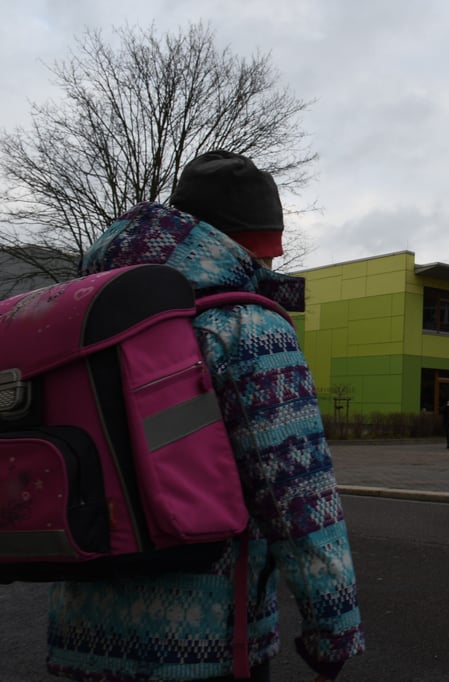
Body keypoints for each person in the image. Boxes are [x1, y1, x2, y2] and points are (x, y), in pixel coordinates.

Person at [46, 151, 365, 681]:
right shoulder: (245, 325)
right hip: (207, 644)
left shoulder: (81, 315)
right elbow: (298, 492)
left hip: (82, 630)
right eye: (268, 249)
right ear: (246, 244)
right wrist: (333, 625)